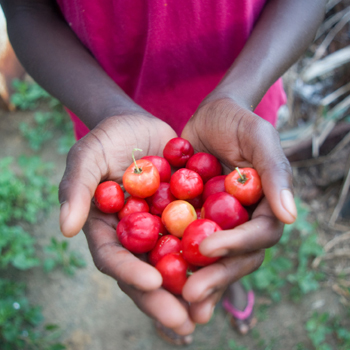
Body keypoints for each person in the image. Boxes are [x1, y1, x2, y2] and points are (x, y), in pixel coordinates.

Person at [2, 0, 326, 345]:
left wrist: (236, 96)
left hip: (242, 93)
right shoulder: (148, 193)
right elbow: (25, 10)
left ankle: (223, 280)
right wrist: (110, 112)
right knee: (190, 253)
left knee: (230, 239)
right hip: (105, 99)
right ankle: (183, 282)